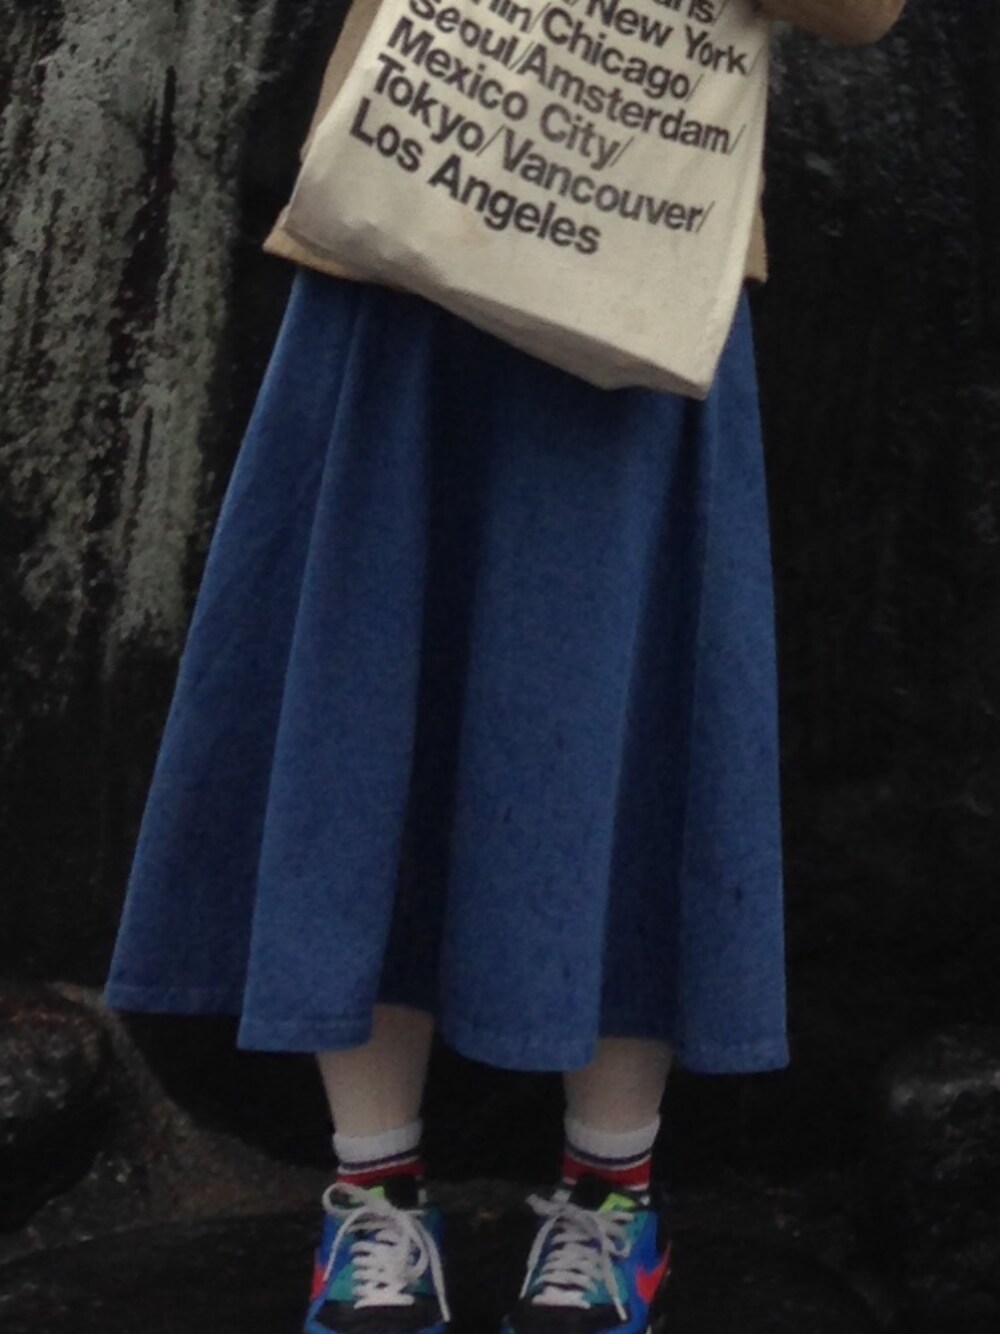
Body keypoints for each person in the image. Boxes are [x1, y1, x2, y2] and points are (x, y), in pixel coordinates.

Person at [103, 2, 905, 1332]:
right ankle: (371, 1195)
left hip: (642, 248)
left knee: (628, 713)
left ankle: (613, 1196)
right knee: (368, 688)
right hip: (415, 199)